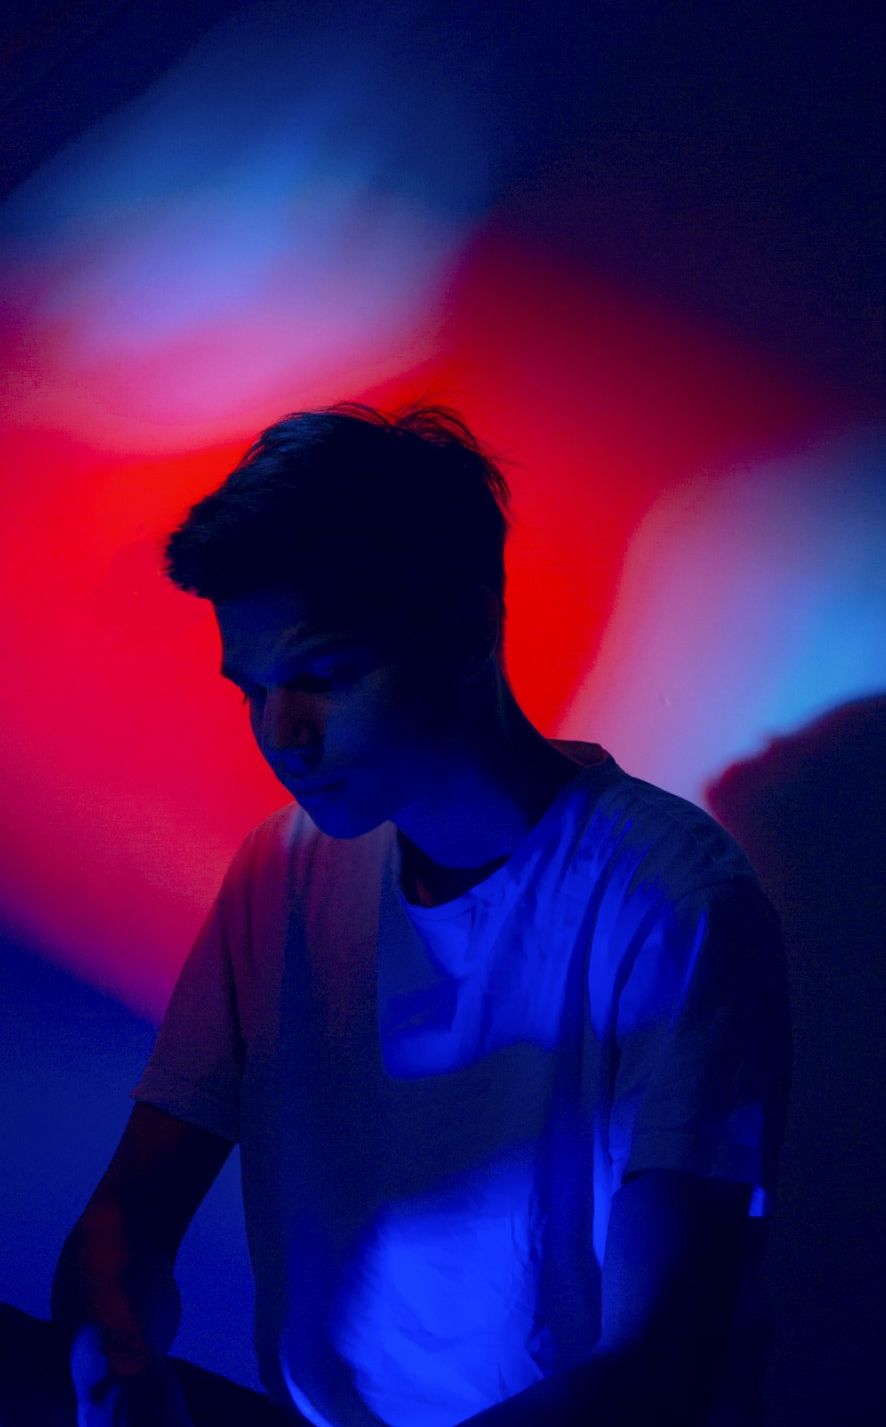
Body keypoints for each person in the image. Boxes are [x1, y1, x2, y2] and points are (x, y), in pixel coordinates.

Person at [4, 402, 791, 1426]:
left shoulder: (673, 902)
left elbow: (656, 1364)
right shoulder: (280, 871)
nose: (281, 734)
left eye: (323, 678)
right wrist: (116, 1355)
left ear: (467, 630)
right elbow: (129, 1215)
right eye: (254, 691)